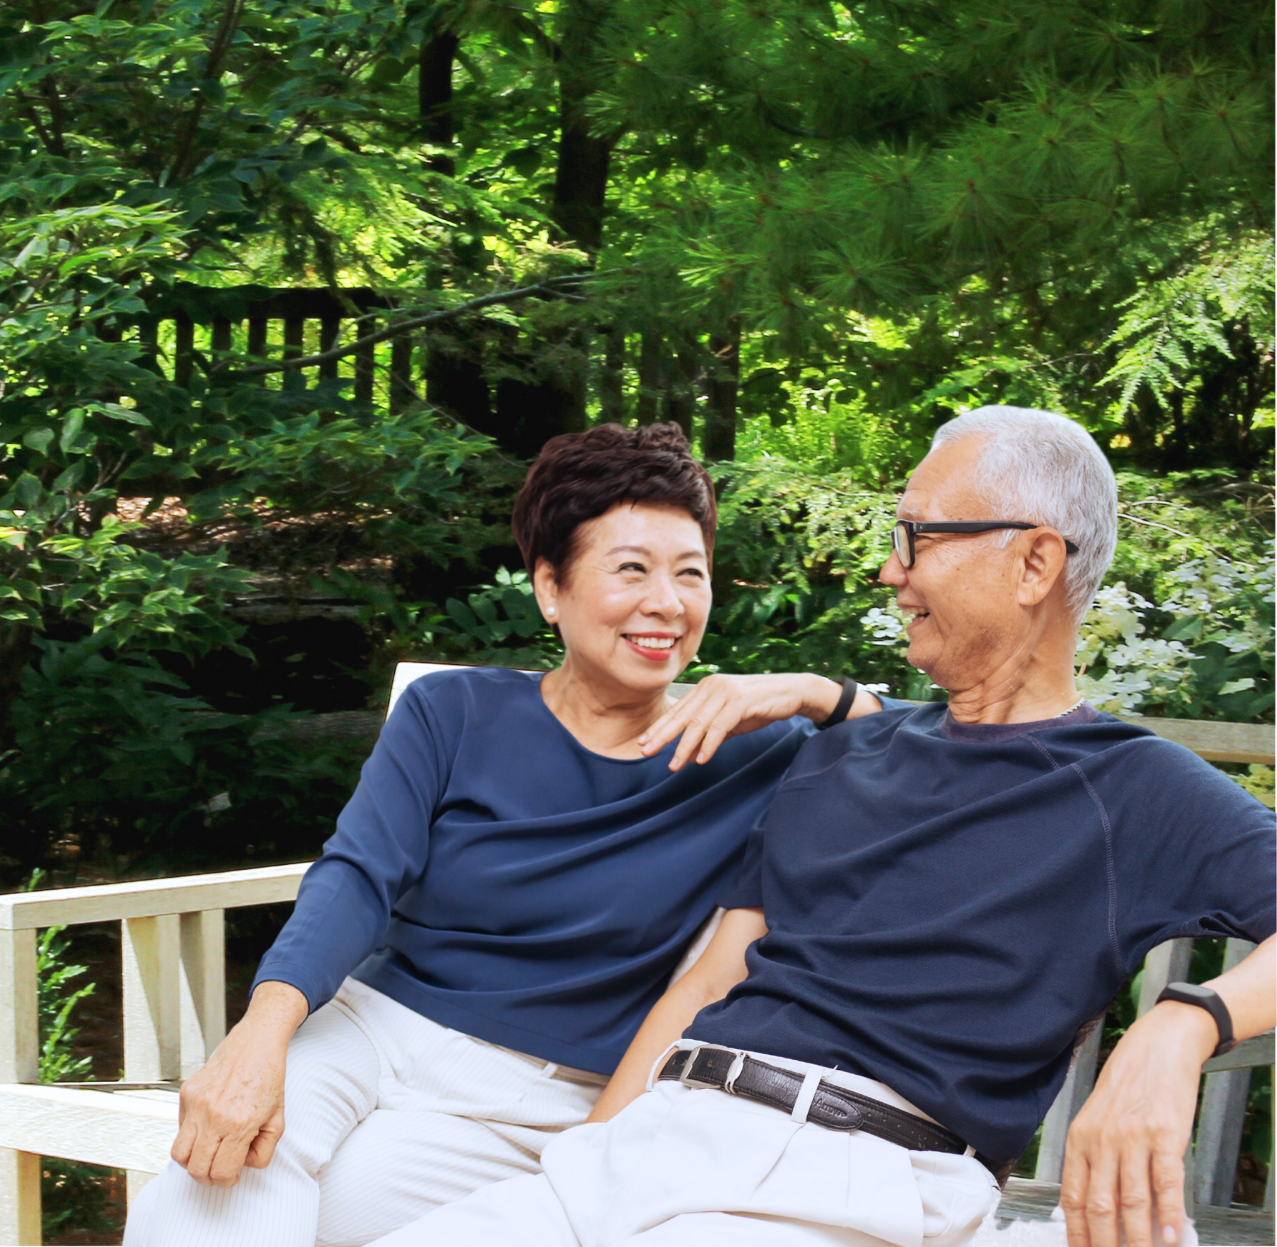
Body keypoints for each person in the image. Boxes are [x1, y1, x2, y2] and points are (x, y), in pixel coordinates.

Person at [372, 405, 1276, 1247]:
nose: (891, 570)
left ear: (1034, 564)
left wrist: (1184, 1025)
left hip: (842, 1168)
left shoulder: (1131, 788)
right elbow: (707, 985)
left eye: (916, 538)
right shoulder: (845, 756)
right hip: (654, 1140)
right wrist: (582, 1167)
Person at [124, 422, 889, 1247]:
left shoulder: (750, 751)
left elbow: (936, 745)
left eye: (690, 574)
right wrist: (258, 1037)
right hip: (369, 1029)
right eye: (630, 569)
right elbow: (356, 873)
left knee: (338, 1214)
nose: (665, 602)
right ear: (550, 588)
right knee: (227, 1166)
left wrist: (812, 692)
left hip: (542, 1100)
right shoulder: (453, 710)